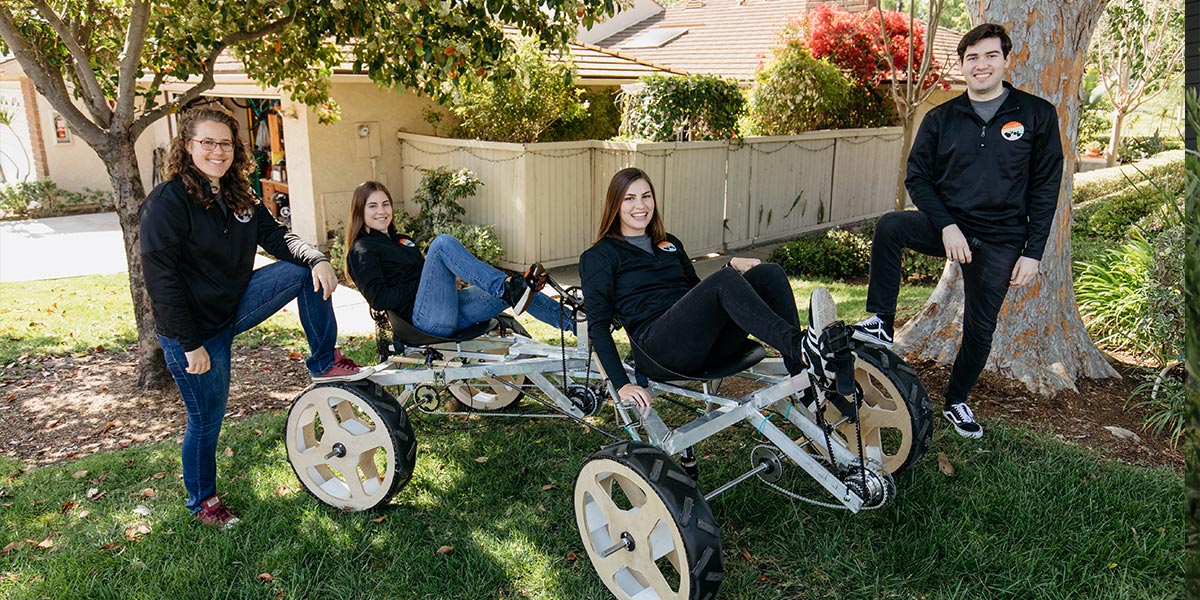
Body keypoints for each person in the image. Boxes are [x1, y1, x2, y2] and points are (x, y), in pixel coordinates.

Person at [140, 106, 368, 529]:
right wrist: (190, 345)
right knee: (207, 419)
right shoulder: (166, 202)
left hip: (232, 305)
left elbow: (276, 235)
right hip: (193, 330)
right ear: (187, 146)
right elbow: (162, 282)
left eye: (224, 143)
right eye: (207, 142)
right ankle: (203, 501)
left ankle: (323, 362)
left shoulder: (237, 194)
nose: (217, 150)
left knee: (303, 272)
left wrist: (316, 257)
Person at [851, 23, 1063, 439]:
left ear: (1005, 60)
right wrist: (947, 226)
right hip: (951, 227)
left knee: (981, 330)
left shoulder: (1036, 114)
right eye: (972, 58)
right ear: (962, 66)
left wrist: (1033, 252)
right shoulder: (940, 118)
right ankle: (880, 321)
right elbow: (918, 178)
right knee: (892, 226)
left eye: (989, 56)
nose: (981, 65)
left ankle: (957, 401)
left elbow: (1045, 187)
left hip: (1002, 240)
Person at [579, 167, 847, 412]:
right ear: (615, 204)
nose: (640, 205)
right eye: (629, 198)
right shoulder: (599, 256)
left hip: (700, 343)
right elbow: (599, 326)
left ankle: (802, 377)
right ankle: (801, 347)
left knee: (768, 273)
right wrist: (622, 383)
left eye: (646, 196)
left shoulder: (669, 242)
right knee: (725, 280)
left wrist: (730, 267)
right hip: (660, 351)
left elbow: (698, 294)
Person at [343, 181, 574, 337]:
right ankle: (504, 288)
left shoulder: (400, 240)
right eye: (372, 206)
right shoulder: (363, 249)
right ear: (360, 211)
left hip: (449, 309)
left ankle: (581, 326)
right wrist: (425, 283)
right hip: (423, 323)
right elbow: (379, 299)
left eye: (385, 204)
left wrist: (435, 283)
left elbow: (427, 279)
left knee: (523, 289)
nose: (381, 211)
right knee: (442, 243)